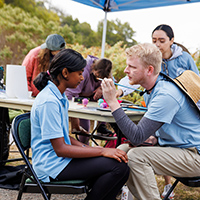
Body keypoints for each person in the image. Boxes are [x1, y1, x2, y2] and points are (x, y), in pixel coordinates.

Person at [101, 43, 200, 200]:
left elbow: (136, 136)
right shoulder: (152, 90)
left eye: (132, 67)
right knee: (121, 151)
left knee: (135, 157)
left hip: (195, 156)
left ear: (149, 70)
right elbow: (152, 132)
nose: (126, 71)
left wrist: (113, 102)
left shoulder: (165, 95)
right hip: (178, 148)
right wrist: (152, 139)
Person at [31, 48, 130, 200]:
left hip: (60, 160)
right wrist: (101, 151)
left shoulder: (59, 96)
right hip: (51, 166)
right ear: (65, 73)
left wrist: (91, 148)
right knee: (118, 168)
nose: (82, 78)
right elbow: (61, 149)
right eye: (79, 73)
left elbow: (64, 137)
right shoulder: (49, 101)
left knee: (116, 164)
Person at [65, 56, 113, 144]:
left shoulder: (105, 68)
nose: (98, 77)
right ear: (93, 68)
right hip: (78, 97)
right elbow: (70, 93)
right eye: (97, 75)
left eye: (101, 77)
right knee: (85, 128)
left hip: (92, 97)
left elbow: (111, 81)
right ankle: (83, 147)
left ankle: (101, 126)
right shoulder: (84, 71)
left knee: (107, 91)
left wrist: (101, 88)